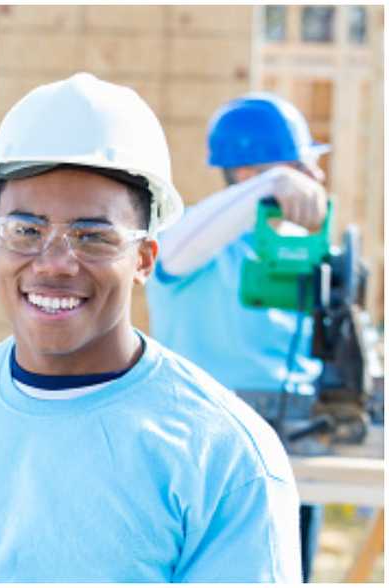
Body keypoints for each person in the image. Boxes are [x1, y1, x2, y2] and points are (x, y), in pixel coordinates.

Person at [0, 73, 300, 582]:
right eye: (26, 231)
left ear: (144, 258)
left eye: (93, 236)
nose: (54, 263)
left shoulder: (223, 454)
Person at [145, 92, 329, 582]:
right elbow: (171, 249)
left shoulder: (291, 248)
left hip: (295, 428)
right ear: (249, 175)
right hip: (204, 433)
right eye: (302, 164)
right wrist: (275, 184)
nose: (317, 178)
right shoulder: (194, 243)